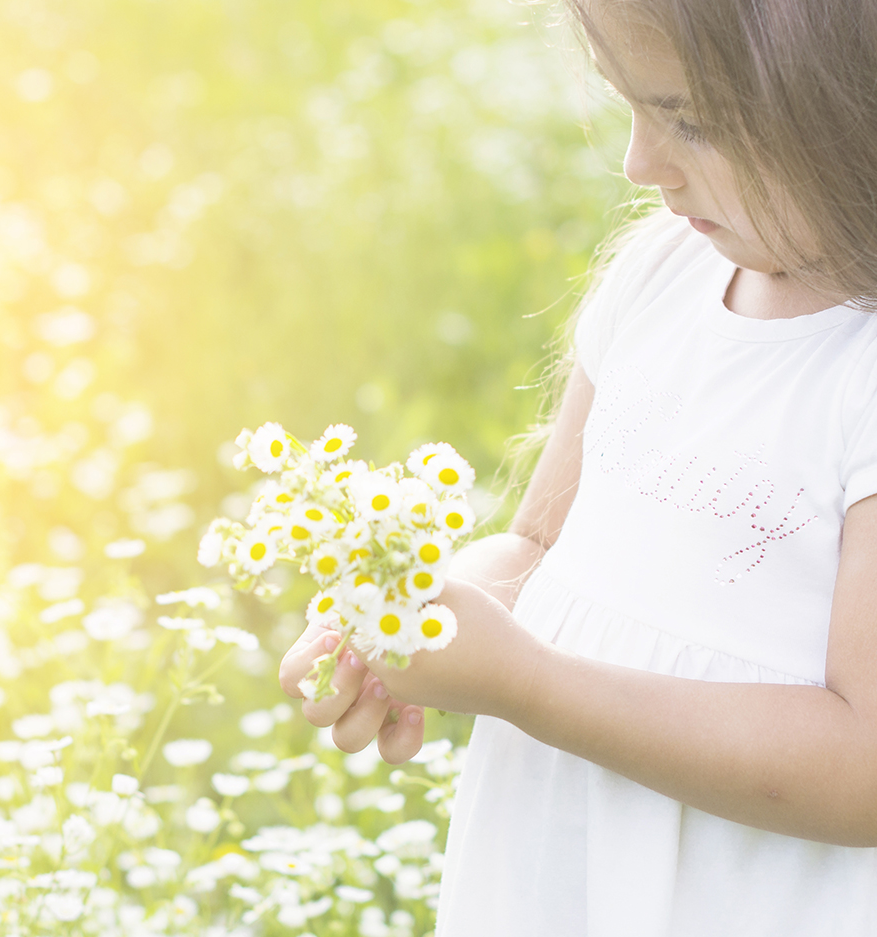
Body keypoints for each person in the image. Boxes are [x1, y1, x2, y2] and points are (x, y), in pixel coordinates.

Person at [279, 0, 877, 934]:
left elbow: (864, 766)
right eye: (629, 104)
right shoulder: (660, 274)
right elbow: (535, 545)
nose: (641, 163)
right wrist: (411, 623)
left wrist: (527, 684)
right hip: (557, 876)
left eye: (693, 121)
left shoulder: (860, 373)